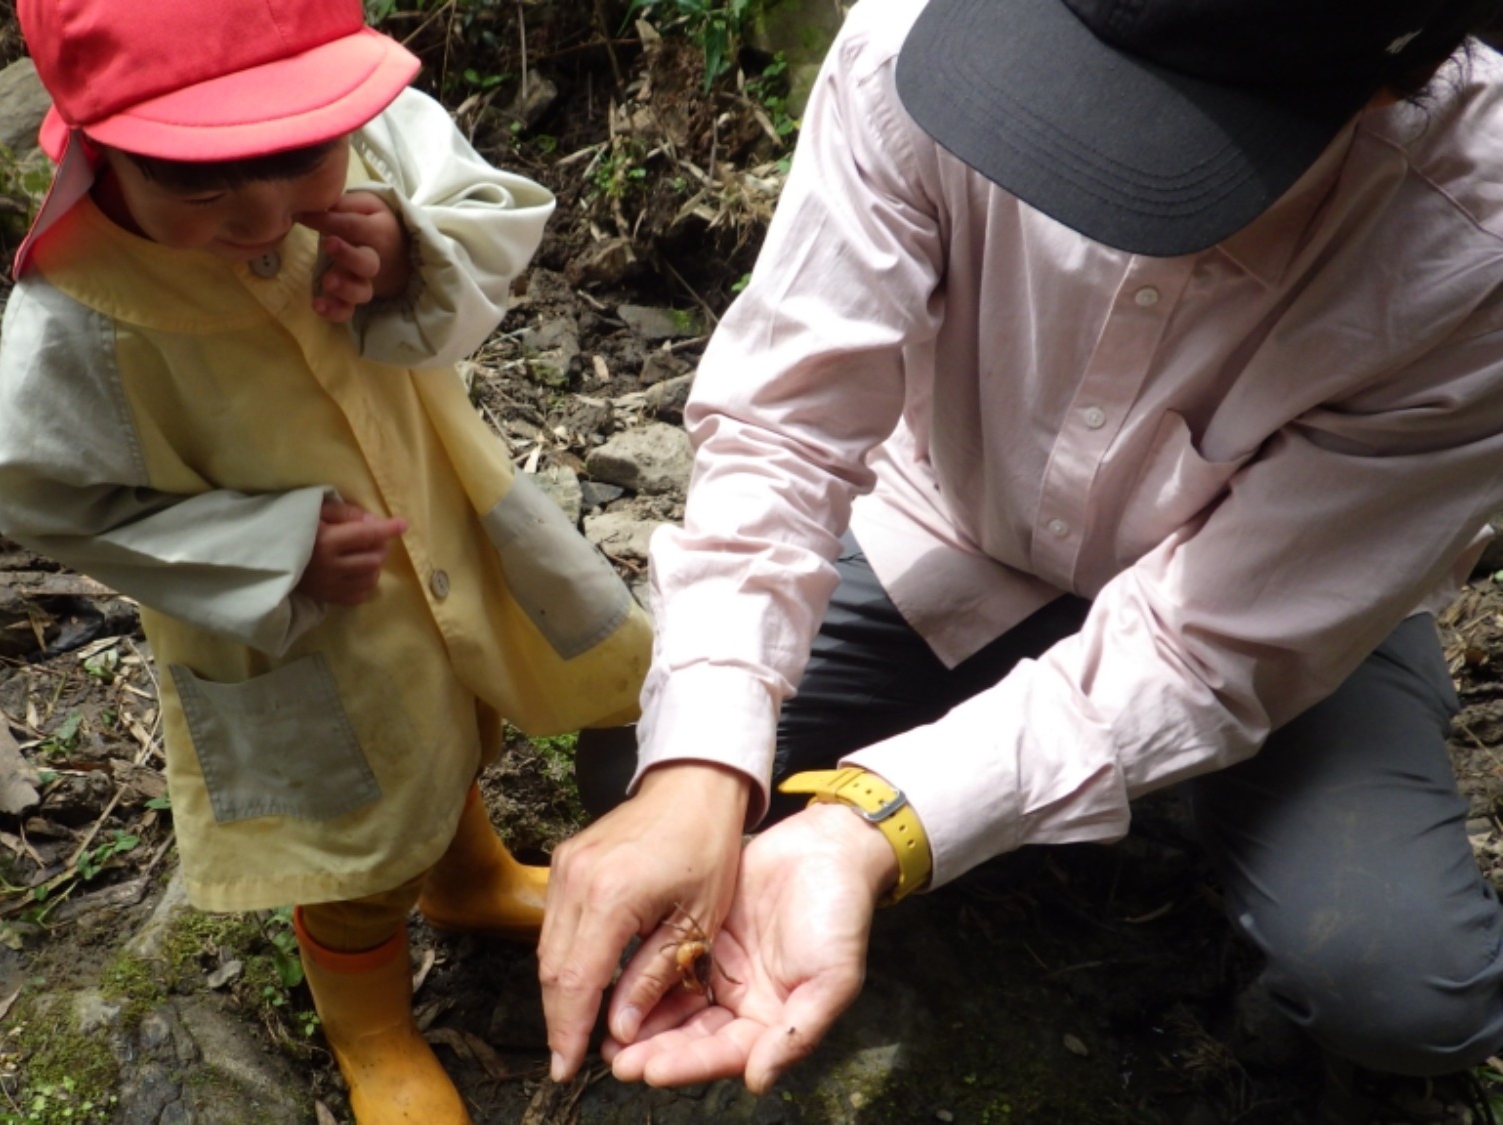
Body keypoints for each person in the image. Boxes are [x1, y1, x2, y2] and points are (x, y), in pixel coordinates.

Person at [539, 0, 1503, 1103]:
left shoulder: (1471, 237)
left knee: (1397, 989)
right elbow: (784, 428)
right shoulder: (915, 44)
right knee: (650, 775)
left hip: (1285, 608)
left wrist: (871, 830)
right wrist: (699, 765)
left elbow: (1204, 649)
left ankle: (1205, 841)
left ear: (1392, 80)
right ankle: (1083, 791)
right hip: (952, 527)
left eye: (1174, 134)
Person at [0, 0, 651, 1119]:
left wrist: (404, 252)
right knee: (356, 821)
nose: (266, 210)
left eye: (299, 162)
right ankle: (373, 1032)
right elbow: (46, 498)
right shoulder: (82, 312)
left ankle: (469, 876)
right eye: (201, 183)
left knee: (458, 717)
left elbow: (484, 207)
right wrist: (265, 550)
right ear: (103, 150)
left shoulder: (366, 141)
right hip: (302, 619)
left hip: (435, 513)